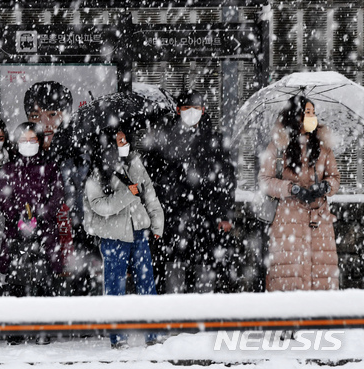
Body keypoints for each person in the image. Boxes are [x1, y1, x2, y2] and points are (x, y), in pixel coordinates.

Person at [142, 88, 236, 294]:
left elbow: (227, 178)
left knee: (204, 268)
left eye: (196, 108)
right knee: (174, 266)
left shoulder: (214, 140)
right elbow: (152, 176)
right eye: (187, 108)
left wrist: (224, 213)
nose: (192, 112)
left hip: (206, 214)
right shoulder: (165, 139)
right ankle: (174, 318)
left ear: (203, 110)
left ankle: (202, 316)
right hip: (173, 214)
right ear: (178, 110)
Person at [83, 124, 164, 349]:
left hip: (139, 231)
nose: (123, 146)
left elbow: (150, 196)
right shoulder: (97, 174)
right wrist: (129, 193)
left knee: (147, 284)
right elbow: (101, 206)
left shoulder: (136, 166)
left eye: (124, 141)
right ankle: (118, 338)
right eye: (118, 142)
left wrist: (157, 225)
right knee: (115, 287)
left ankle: (153, 333)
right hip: (113, 236)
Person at [259, 96, 340, 291]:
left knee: (321, 278)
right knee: (288, 277)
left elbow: (335, 178)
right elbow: (265, 180)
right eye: (308, 113)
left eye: (313, 113)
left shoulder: (323, 147)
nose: (313, 117)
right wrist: (291, 188)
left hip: (319, 221)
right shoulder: (278, 146)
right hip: (288, 222)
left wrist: (324, 187)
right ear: (296, 116)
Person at [25, 81, 98, 295]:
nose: (45, 123)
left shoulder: (77, 151)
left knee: (76, 291)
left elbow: (82, 196)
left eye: (53, 114)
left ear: (66, 115)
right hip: (39, 235)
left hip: (74, 234)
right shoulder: (28, 151)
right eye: (36, 116)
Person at [0, 122, 64, 298]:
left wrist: (40, 216)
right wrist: (19, 218)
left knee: (46, 287)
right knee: (16, 287)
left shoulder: (50, 168)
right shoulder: (8, 169)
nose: (28, 143)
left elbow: (57, 197)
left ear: (40, 141)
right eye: (23, 139)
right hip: (15, 234)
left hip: (46, 234)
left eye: (32, 139)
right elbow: (4, 200)